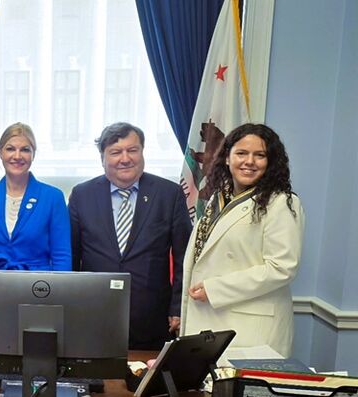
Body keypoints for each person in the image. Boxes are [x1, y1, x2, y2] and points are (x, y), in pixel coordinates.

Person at [180, 124, 304, 356]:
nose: (249, 161)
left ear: (270, 162)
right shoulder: (218, 198)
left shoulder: (281, 203)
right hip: (210, 318)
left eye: (260, 155)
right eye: (241, 153)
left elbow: (282, 267)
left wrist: (215, 289)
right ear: (227, 158)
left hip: (249, 328)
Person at [69, 122, 192, 350]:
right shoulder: (82, 195)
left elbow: (184, 256)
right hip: (93, 314)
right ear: (103, 158)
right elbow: (72, 256)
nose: (125, 159)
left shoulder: (169, 194)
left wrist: (178, 307)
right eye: (115, 152)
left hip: (152, 317)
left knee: (147, 373)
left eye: (132, 150)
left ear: (142, 152)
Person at [0, 122, 71, 270]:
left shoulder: (53, 198)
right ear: (0, 152)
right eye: (10, 149)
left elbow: (61, 257)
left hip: (38, 282)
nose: (17, 156)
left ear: (33, 154)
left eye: (25, 150)